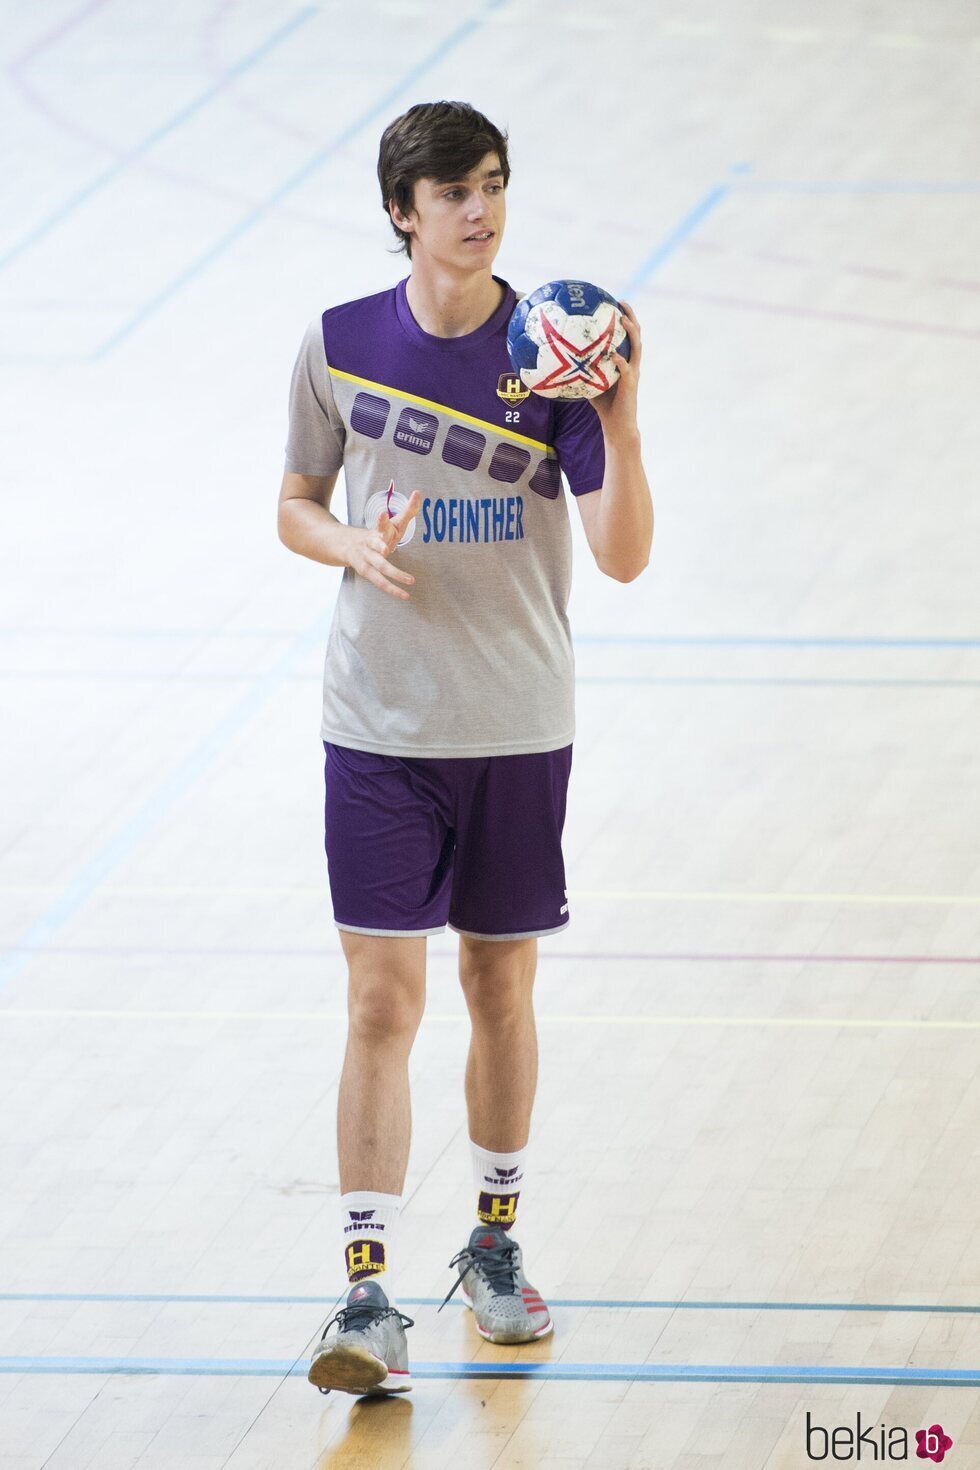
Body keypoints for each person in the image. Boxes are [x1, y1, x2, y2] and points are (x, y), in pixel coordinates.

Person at [277, 99, 652, 1398]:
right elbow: (295, 503)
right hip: (376, 723)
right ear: (403, 212)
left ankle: (494, 1249)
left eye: (492, 184)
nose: (480, 209)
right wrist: (349, 546)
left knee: (501, 994)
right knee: (382, 1000)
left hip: (516, 725)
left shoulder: (557, 356)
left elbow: (623, 553)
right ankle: (367, 1293)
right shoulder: (337, 344)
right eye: (452, 191)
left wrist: (628, 410)